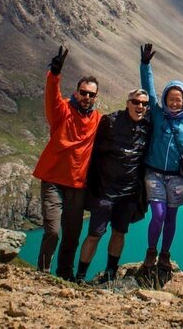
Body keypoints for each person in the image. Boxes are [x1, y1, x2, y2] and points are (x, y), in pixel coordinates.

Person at [31, 45, 103, 279]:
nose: (87, 97)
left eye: (91, 95)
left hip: (77, 186)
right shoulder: (61, 111)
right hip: (53, 180)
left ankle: (65, 274)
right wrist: (54, 74)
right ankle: (42, 272)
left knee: (72, 235)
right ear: (77, 91)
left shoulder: (98, 120)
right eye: (84, 92)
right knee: (52, 231)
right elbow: (51, 97)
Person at [74, 88, 152, 283]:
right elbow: (93, 151)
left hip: (129, 194)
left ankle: (110, 273)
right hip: (105, 192)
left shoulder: (147, 127)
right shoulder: (110, 122)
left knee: (119, 233)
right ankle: (80, 276)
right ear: (127, 103)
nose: (140, 106)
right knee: (94, 234)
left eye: (144, 103)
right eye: (135, 102)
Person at [139, 42, 183, 274]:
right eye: (171, 99)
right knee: (158, 214)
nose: (175, 103)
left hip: (177, 177)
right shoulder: (157, 114)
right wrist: (145, 64)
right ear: (166, 99)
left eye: (179, 99)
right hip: (154, 173)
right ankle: (151, 251)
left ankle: (165, 254)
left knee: (171, 218)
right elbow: (148, 89)